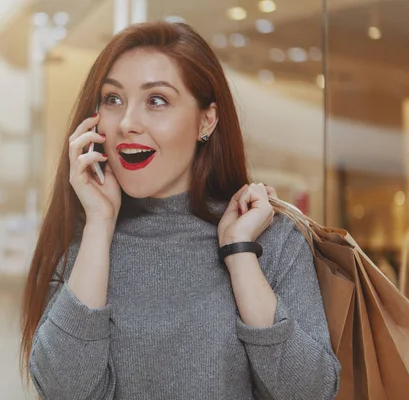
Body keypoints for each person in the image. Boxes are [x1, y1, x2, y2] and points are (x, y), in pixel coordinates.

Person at [20, 21, 340, 400]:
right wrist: (99, 226)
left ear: (207, 120)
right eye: (113, 99)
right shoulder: (82, 240)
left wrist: (239, 253)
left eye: (156, 100)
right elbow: (63, 390)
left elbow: (312, 392)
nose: (127, 124)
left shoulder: (271, 237)